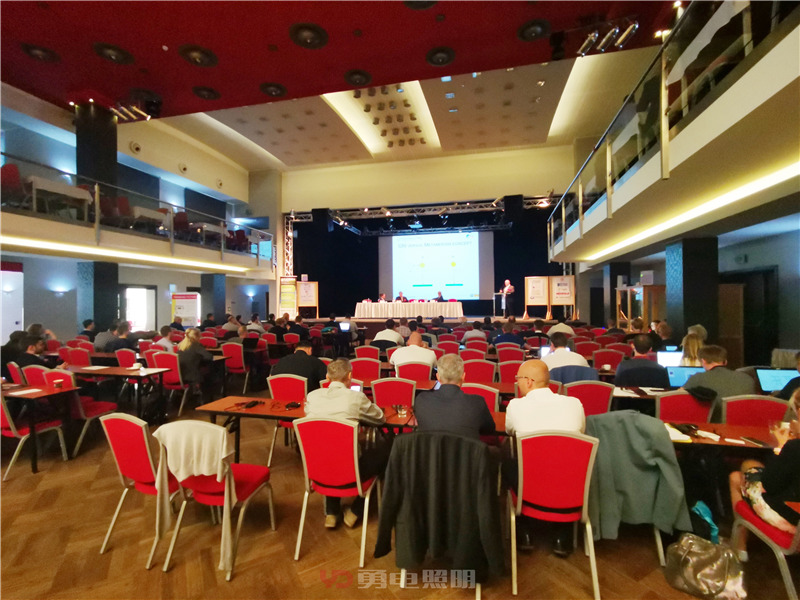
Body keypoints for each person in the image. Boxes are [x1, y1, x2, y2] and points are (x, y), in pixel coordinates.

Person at [504, 359, 585, 557]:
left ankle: (524, 530)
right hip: (570, 486)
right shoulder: (575, 404)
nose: (517, 383)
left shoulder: (515, 406)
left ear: (529, 381)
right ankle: (563, 535)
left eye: (518, 379)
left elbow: (509, 431)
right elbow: (581, 435)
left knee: (508, 454)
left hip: (530, 484)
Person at [304, 358, 388, 528]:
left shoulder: (312, 397)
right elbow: (380, 418)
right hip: (350, 472)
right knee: (385, 453)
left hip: (317, 469)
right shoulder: (356, 398)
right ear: (349, 376)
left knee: (328, 449)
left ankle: (332, 512)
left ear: (327, 377)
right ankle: (356, 511)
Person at [729, 418, 800, 561]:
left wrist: (781, 446)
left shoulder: (795, 447)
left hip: (791, 520)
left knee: (736, 477)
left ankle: (740, 548)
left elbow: (769, 485)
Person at [414, 354, 495, 439]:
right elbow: (489, 430)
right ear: (463, 377)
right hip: (465, 448)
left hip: (431, 447)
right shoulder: (477, 403)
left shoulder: (421, 400)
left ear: (438, 377)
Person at [683, 345, 756, 422]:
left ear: (703, 361)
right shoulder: (747, 378)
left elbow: (678, 397)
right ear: (725, 362)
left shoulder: (697, 378)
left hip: (711, 426)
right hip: (743, 425)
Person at [176, 328, 214, 400]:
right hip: (193, 374)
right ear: (197, 336)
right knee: (210, 370)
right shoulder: (196, 345)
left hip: (181, 374)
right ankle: (208, 399)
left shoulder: (180, 345)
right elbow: (209, 356)